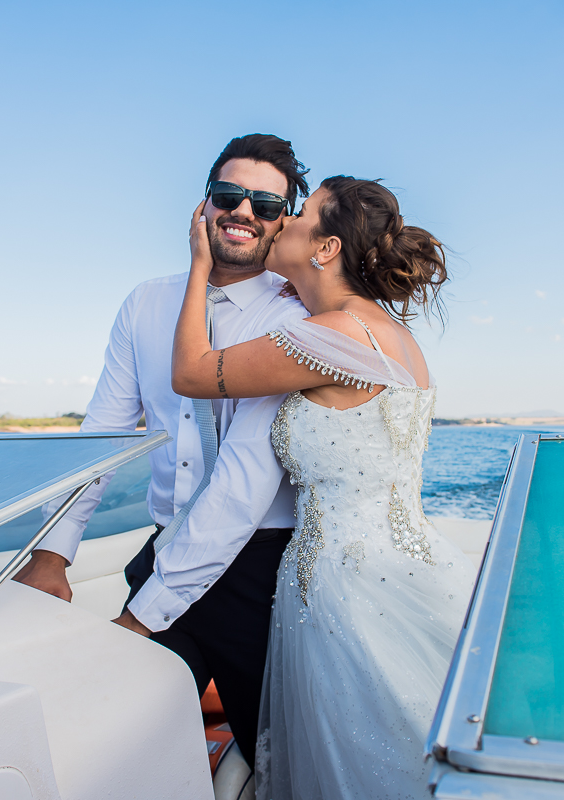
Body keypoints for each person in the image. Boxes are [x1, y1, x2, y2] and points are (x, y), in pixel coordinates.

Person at [171, 176, 478, 799]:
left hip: (346, 586)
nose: (281, 220)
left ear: (327, 248)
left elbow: (191, 373)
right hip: (396, 562)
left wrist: (201, 267)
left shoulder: (333, 336)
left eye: (301, 213)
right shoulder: (386, 334)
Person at [13, 133, 310, 769]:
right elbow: (104, 435)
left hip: (259, 573)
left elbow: (241, 486)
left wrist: (143, 615)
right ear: (204, 205)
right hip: (167, 543)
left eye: (264, 204)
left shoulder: (296, 321)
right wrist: (51, 552)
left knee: (275, 756)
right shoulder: (146, 302)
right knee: (113, 736)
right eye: (230, 196)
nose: (244, 213)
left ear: (284, 220)